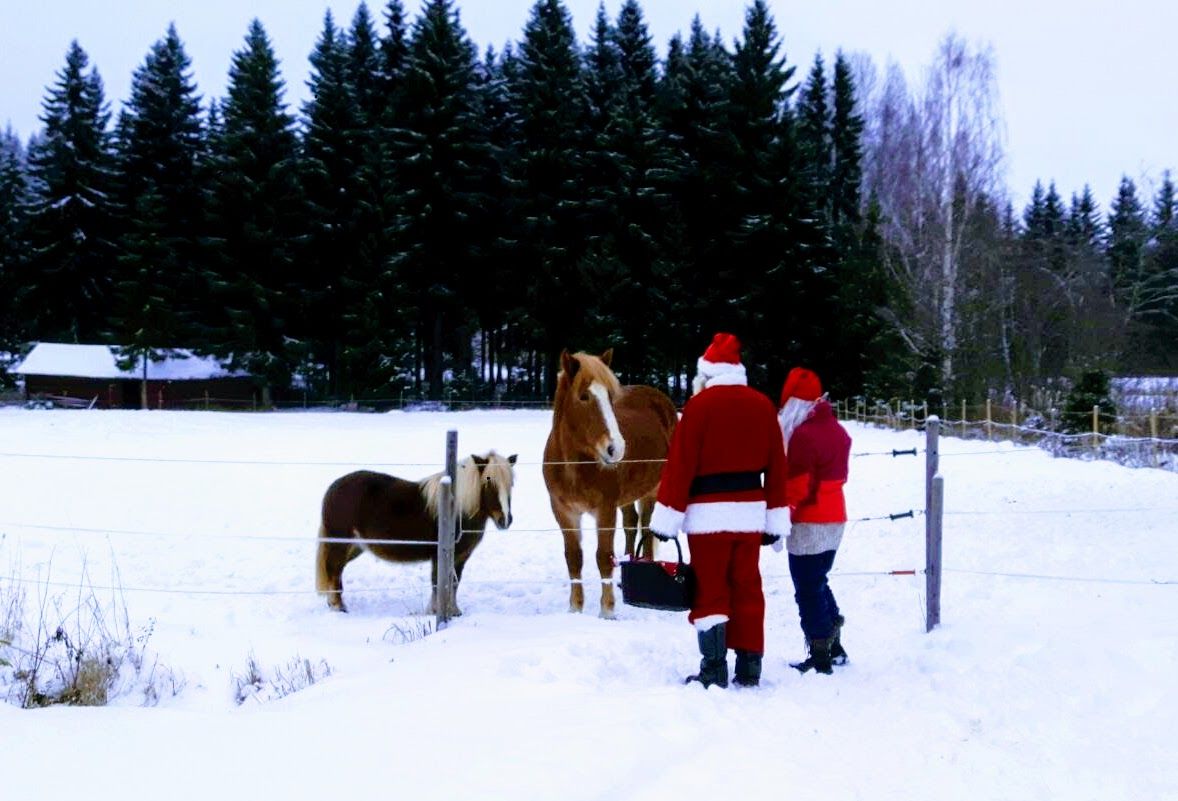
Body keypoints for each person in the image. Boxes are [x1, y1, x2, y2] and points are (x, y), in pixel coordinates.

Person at [649, 333, 790, 688]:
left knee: (710, 588)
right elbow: (777, 467)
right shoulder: (762, 406)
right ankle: (750, 666)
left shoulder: (698, 409)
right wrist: (775, 518)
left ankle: (713, 668)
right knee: (747, 586)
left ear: (707, 373)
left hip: (707, 518)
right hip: (750, 514)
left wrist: (667, 516)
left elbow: (680, 466)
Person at [778, 367, 852, 675]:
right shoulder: (837, 430)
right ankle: (834, 645)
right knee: (818, 580)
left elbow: (798, 487)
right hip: (835, 517)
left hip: (810, 522)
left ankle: (820, 653)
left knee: (806, 588)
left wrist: (782, 521)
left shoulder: (803, 436)